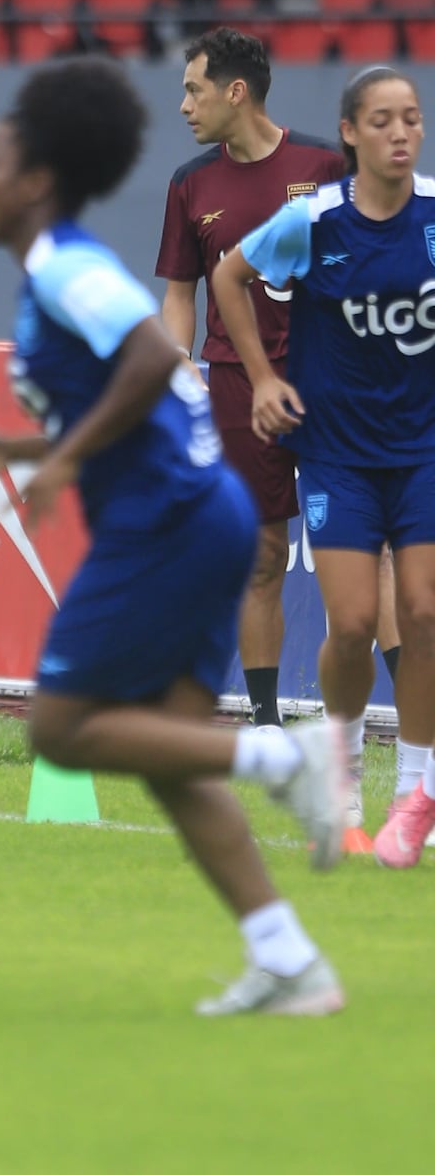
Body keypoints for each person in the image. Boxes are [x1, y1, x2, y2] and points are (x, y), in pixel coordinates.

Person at [0, 56, 346, 1014]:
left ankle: (283, 757)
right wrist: (23, 448)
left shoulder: (65, 267)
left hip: (167, 522)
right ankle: (289, 960)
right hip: (197, 513)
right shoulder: (56, 270)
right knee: (168, 753)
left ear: (36, 181)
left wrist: (64, 461)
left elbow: (155, 357)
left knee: (60, 727)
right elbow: (131, 399)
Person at [213, 65, 435, 870]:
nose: (401, 134)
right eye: (382, 120)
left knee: (424, 612)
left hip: (424, 449)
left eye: (411, 118)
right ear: (349, 133)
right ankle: (340, 778)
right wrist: (263, 378)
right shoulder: (313, 221)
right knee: (350, 625)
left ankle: (416, 793)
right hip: (338, 453)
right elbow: (228, 276)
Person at [156, 28, 346, 730]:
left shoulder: (326, 166)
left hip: (331, 383)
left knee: (365, 554)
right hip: (238, 386)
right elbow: (180, 293)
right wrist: (179, 360)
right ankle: (266, 723)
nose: (184, 106)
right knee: (262, 556)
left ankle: (385, 726)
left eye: (193, 90)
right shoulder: (190, 183)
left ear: (236, 92)